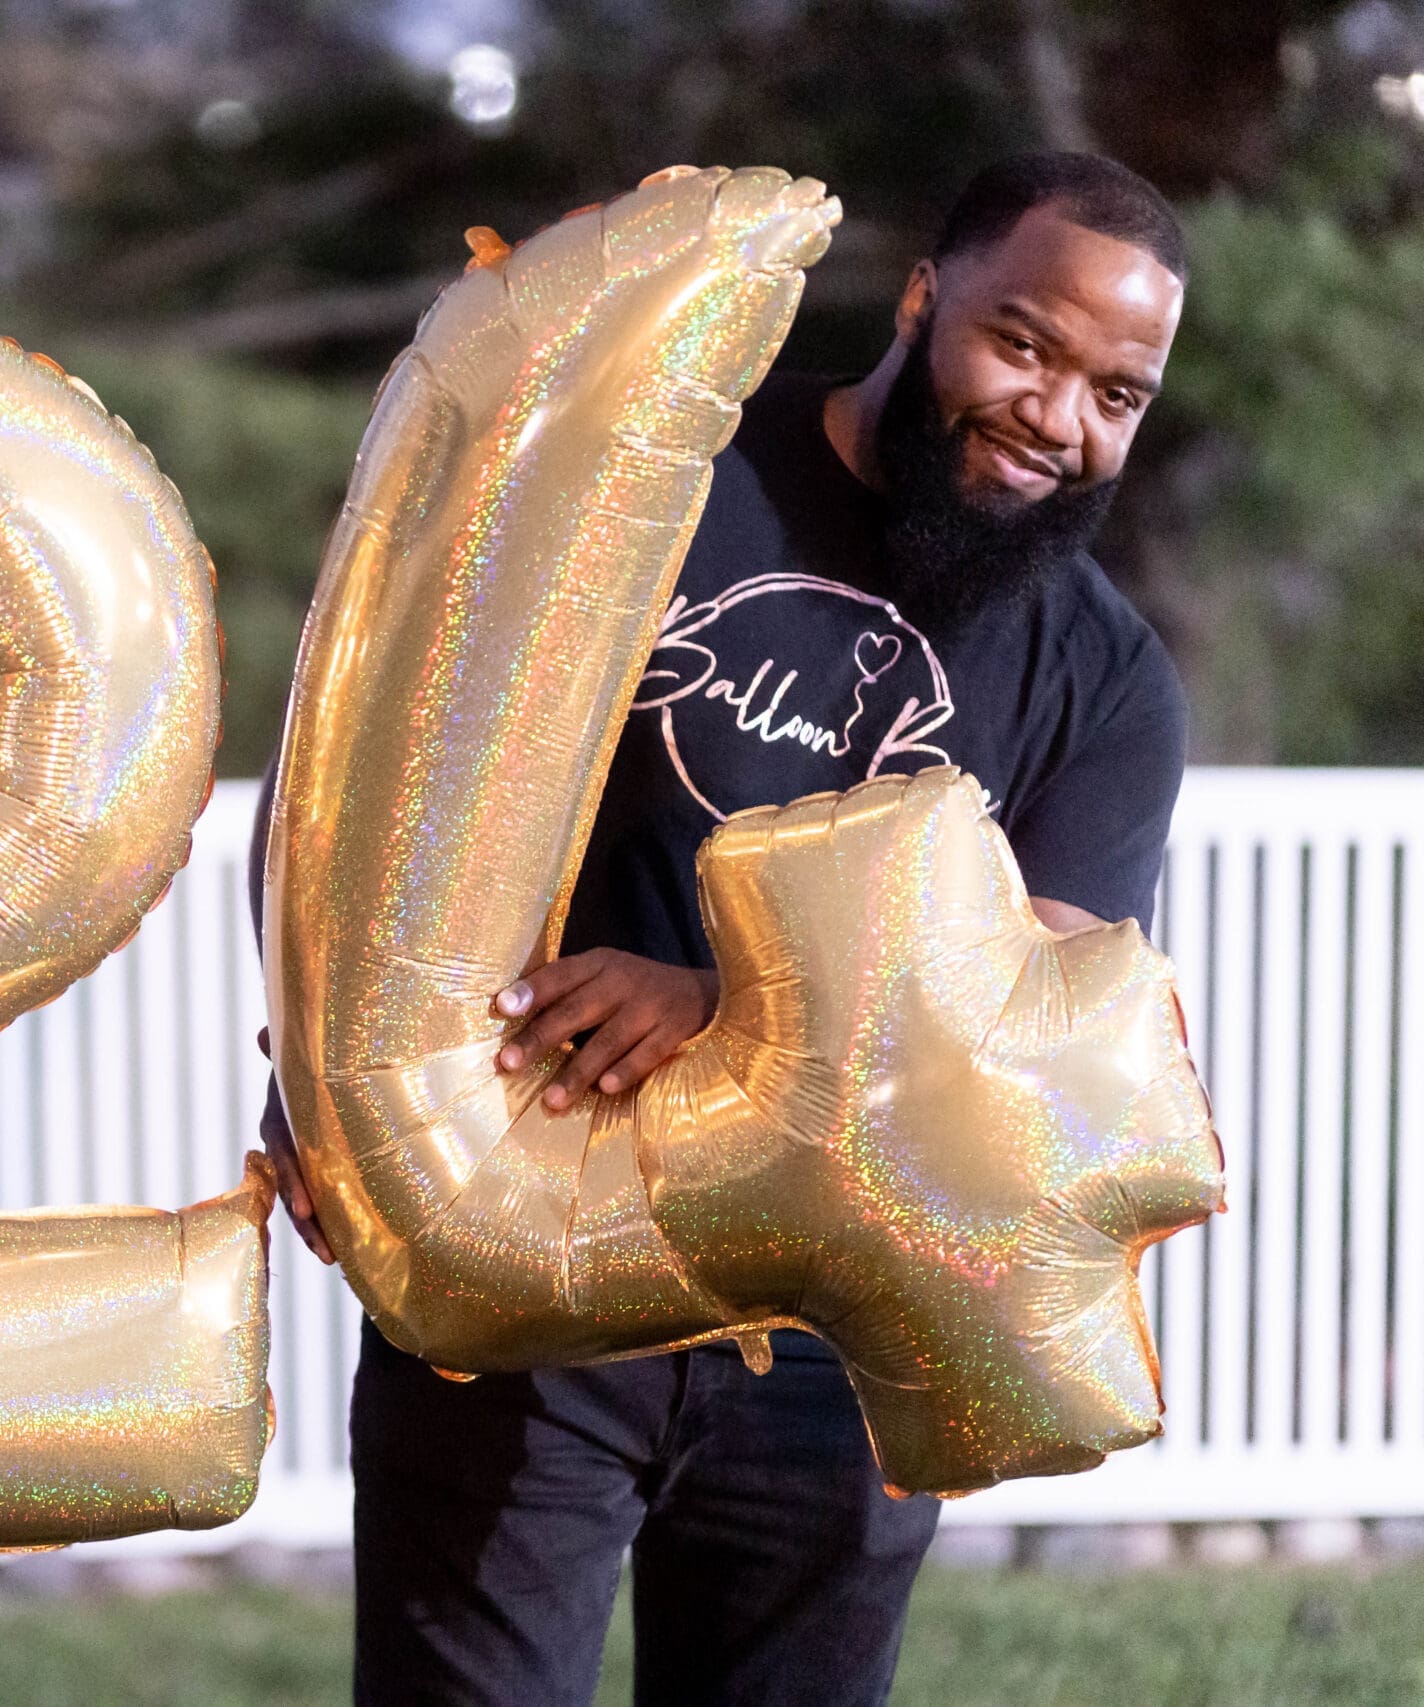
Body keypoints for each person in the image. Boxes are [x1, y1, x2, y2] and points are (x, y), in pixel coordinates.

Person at [253, 152, 1191, 1705]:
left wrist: (721, 1002)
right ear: (920, 297)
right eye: (1022, 345)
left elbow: (1010, 1023)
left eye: (1117, 393)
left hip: (834, 1348)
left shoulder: (1107, 680)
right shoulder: (674, 481)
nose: (1058, 418)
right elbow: (363, 774)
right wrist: (334, 1072)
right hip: (530, 1259)